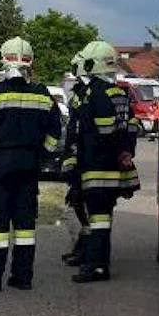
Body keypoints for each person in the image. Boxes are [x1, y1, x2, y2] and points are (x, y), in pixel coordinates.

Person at [0, 37, 63, 292]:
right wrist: (45, 155)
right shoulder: (42, 94)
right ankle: (22, 277)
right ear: (31, 63)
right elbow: (56, 130)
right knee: (25, 224)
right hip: (29, 165)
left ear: (4, 62)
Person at [67, 40, 140, 283]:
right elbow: (130, 126)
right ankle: (95, 261)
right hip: (114, 167)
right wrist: (126, 151)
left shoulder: (95, 93)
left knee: (98, 219)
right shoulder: (120, 92)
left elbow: (99, 131)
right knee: (103, 217)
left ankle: (96, 266)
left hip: (96, 166)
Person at [61, 47, 93, 267]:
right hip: (79, 156)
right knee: (77, 201)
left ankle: (88, 250)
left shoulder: (91, 93)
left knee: (86, 205)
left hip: (88, 158)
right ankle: (83, 247)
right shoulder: (82, 91)